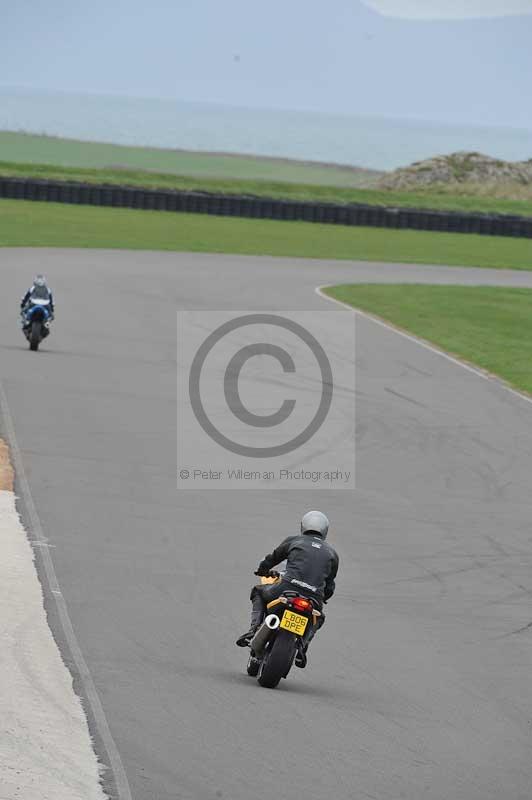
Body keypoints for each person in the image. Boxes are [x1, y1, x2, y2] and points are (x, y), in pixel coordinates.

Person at [236, 510, 339, 667]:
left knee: (258, 591)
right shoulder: (332, 553)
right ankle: (302, 647)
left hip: (286, 588)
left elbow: (273, 558)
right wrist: (323, 597)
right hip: (314, 598)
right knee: (319, 617)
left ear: (303, 526)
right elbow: (330, 585)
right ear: (325, 530)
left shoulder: (294, 540)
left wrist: (262, 570)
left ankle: (253, 630)